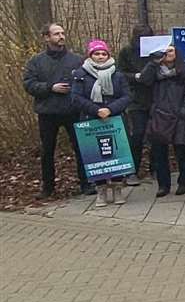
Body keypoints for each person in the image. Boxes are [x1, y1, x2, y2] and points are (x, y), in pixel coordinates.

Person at [22, 22, 90, 199]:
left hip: (72, 110)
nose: (61, 37)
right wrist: (50, 87)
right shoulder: (36, 61)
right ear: (46, 37)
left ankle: (86, 184)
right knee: (47, 151)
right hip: (48, 112)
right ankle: (48, 187)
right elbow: (29, 84)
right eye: (56, 34)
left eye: (62, 33)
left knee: (81, 148)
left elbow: (87, 81)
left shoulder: (76, 59)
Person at [70, 39, 133, 206]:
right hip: (91, 120)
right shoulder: (80, 74)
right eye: (96, 53)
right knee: (96, 156)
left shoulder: (117, 74)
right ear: (90, 55)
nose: (100, 56)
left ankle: (118, 189)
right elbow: (76, 97)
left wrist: (110, 109)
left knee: (116, 154)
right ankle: (101, 191)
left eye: (103, 53)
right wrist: (96, 110)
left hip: (114, 119)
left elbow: (127, 96)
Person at [137, 43, 185, 198]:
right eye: (165, 51)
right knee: (159, 151)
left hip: (178, 115)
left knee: (181, 150)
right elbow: (143, 80)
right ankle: (163, 185)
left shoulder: (183, 72)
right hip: (159, 115)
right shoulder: (155, 72)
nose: (168, 53)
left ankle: (184, 182)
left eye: (171, 50)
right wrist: (153, 62)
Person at [116, 23, 155, 185]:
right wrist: (136, 76)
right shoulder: (126, 52)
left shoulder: (155, 50)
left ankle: (156, 168)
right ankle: (132, 171)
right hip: (136, 99)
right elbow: (120, 73)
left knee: (156, 135)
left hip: (155, 97)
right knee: (137, 134)